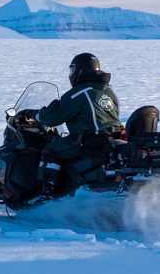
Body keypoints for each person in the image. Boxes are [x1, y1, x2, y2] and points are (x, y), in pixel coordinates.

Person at [36, 52, 122, 191]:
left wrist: (37, 116)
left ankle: (46, 190)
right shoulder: (108, 91)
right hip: (111, 139)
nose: (71, 74)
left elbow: (53, 118)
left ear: (80, 71)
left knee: (50, 150)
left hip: (89, 142)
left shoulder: (79, 93)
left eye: (72, 70)